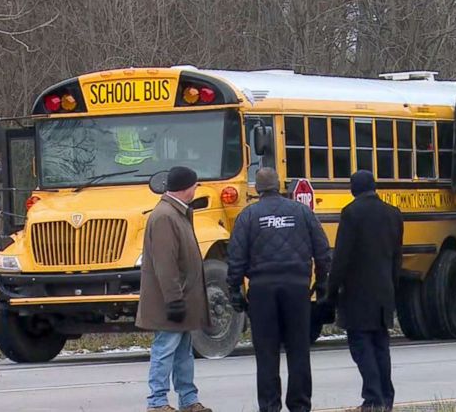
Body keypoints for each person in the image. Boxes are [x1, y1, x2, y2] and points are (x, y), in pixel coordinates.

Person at [227, 168, 331, 412]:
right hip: (296, 289)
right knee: (299, 350)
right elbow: (323, 250)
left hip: (262, 290)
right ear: (279, 186)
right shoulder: (302, 212)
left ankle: (269, 406)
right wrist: (323, 280)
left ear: (258, 190)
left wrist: (234, 289)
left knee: (266, 353)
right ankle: (300, 405)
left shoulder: (249, 216)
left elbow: (236, 257)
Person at [136, 166, 212, 412]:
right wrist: (174, 299)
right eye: (194, 185)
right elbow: (165, 263)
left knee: (183, 352)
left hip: (182, 298)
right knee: (165, 349)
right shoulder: (165, 217)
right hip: (171, 301)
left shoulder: (175, 213)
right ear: (187, 188)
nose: (196, 189)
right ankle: (157, 402)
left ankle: (188, 399)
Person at [326, 170, 403, 411]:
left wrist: (331, 289)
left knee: (361, 345)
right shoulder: (393, 214)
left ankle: (372, 399)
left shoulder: (351, 213)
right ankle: (386, 397)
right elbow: (397, 257)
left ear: (353, 189)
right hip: (384, 290)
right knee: (381, 345)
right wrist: (393, 286)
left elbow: (342, 256)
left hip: (357, 292)